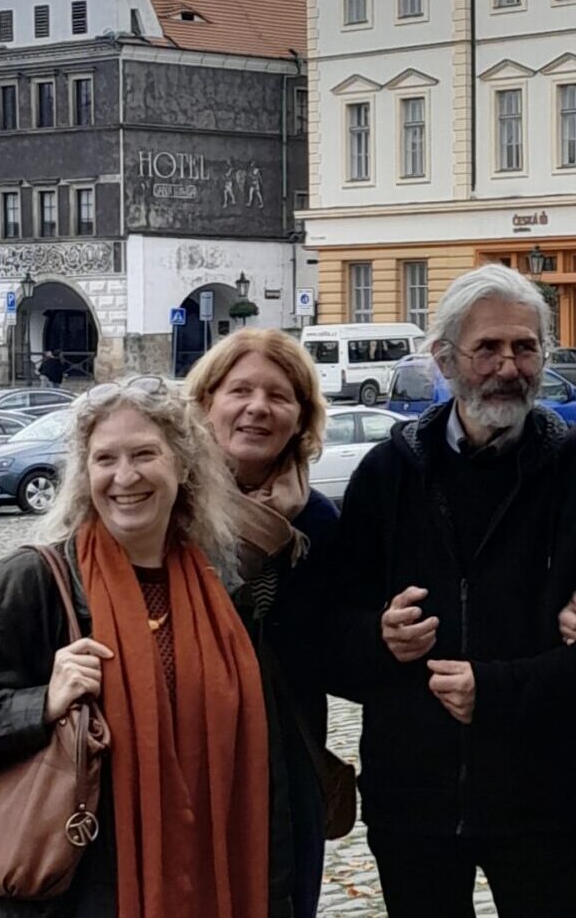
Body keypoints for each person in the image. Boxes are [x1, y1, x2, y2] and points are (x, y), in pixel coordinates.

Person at [324, 263, 576, 918]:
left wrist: (499, 689)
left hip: (540, 799)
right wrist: (377, 638)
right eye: (488, 348)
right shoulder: (387, 474)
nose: (510, 364)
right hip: (410, 801)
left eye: (526, 346)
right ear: (445, 359)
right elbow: (325, 633)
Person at [0, 378, 273, 918]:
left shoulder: (221, 591)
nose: (125, 477)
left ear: (182, 467)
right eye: (104, 459)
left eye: (144, 454)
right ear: (84, 474)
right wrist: (38, 704)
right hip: (64, 897)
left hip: (195, 883)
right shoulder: (36, 582)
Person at [186, 329, 341, 918]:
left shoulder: (319, 523)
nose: (258, 407)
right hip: (180, 753)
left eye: (279, 396)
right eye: (240, 390)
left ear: (301, 417)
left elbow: (339, 648)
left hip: (284, 758)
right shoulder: (164, 507)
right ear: (206, 403)